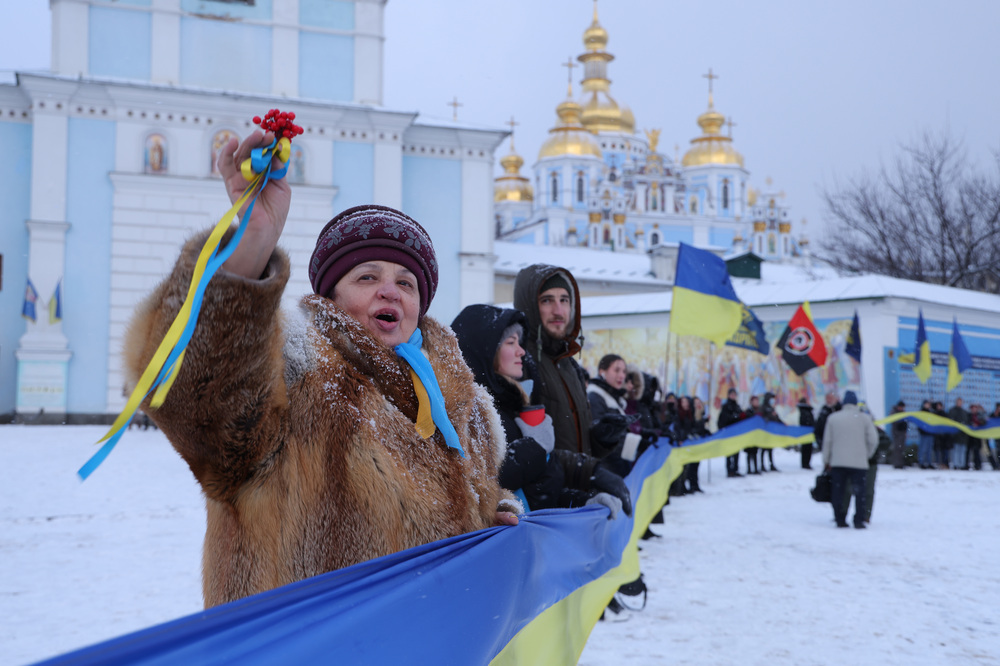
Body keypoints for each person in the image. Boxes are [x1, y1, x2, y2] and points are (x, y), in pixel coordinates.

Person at [124, 131, 519, 608]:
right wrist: (250, 245)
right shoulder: (295, 374)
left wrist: (489, 519)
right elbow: (194, 393)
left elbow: (466, 503)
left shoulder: (464, 406)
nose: (390, 291)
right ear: (331, 296)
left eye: (406, 282)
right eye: (367, 277)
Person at [451, 304, 631, 517]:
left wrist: (583, 503)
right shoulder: (469, 415)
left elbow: (540, 492)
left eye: (520, 342)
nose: (521, 351)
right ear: (485, 350)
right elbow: (482, 489)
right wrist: (535, 448)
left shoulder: (511, 403)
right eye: (511, 342)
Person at [513, 265, 630, 461]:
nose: (558, 311)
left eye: (564, 300)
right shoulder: (519, 362)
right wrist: (575, 472)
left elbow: (575, 442)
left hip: (577, 488)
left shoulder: (569, 364)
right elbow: (521, 449)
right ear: (530, 306)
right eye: (547, 300)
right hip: (547, 490)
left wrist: (601, 437)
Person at [821, 391, 878, 529]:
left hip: (838, 462)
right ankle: (858, 520)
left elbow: (827, 441)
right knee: (860, 493)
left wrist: (826, 460)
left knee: (838, 492)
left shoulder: (833, 418)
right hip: (859, 463)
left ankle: (840, 518)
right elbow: (873, 440)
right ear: (855, 403)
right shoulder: (864, 418)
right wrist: (866, 455)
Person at [587, 354, 647, 470]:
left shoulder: (614, 398)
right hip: (604, 467)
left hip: (615, 465)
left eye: (624, 371)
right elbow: (601, 437)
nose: (621, 375)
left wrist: (643, 433)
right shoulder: (595, 397)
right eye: (616, 370)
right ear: (602, 372)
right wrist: (637, 443)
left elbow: (618, 429)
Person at [717, 388, 746, 477]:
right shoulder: (726, 407)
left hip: (736, 433)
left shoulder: (737, 406)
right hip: (729, 433)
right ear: (729, 395)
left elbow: (741, 417)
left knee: (736, 452)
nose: (733, 396)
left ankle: (735, 469)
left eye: (734, 394)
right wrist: (734, 417)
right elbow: (724, 420)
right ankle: (730, 470)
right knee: (729, 452)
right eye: (731, 394)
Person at [759, 392, 783, 471]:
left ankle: (771, 464)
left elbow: (776, 417)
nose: (772, 401)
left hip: (771, 432)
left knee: (770, 449)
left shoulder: (771, 408)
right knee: (763, 449)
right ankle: (762, 465)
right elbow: (762, 418)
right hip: (765, 432)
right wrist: (771, 416)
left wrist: (782, 423)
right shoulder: (763, 407)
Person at [948, 398, 970, 470]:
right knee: (956, 450)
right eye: (958, 402)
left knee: (962, 450)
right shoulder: (952, 411)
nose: (960, 403)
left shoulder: (964, 412)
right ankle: (956, 464)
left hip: (963, 435)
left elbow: (966, 421)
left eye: (961, 402)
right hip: (956, 434)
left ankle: (962, 464)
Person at [744, 395, 762, 474]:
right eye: (755, 401)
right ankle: (749, 469)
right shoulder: (749, 411)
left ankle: (755, 468)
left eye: (757, 401)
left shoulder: (759, 411)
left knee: (755, 452)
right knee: (749, 452)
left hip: (756, 435)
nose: (756, 403)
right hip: (750, 434)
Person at [797, 397, 816, 469]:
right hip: (807, 432)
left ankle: (805, 463)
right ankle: (806, 463)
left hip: (805, 432)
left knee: (806, 448)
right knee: (807, 448)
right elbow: (808, 422)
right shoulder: (806, 411)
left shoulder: (804, 411)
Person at [917, 399, 936, 469]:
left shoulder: (931, 412)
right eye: (926, 404)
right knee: (923, 448)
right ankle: (921, 462)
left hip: (930, 433)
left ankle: (929, 462)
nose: (928, 405)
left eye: (929, 404)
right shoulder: (921, 412)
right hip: (924, 433)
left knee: (929, 449)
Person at [890, 400, 908, 469]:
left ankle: (901, 463)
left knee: (901, 449)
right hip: (897, 433)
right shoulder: (894, 412)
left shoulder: (903, 413)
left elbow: (905, 423)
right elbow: (894, 422)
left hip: (902, 433)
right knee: (897, 449)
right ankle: (896, 464)